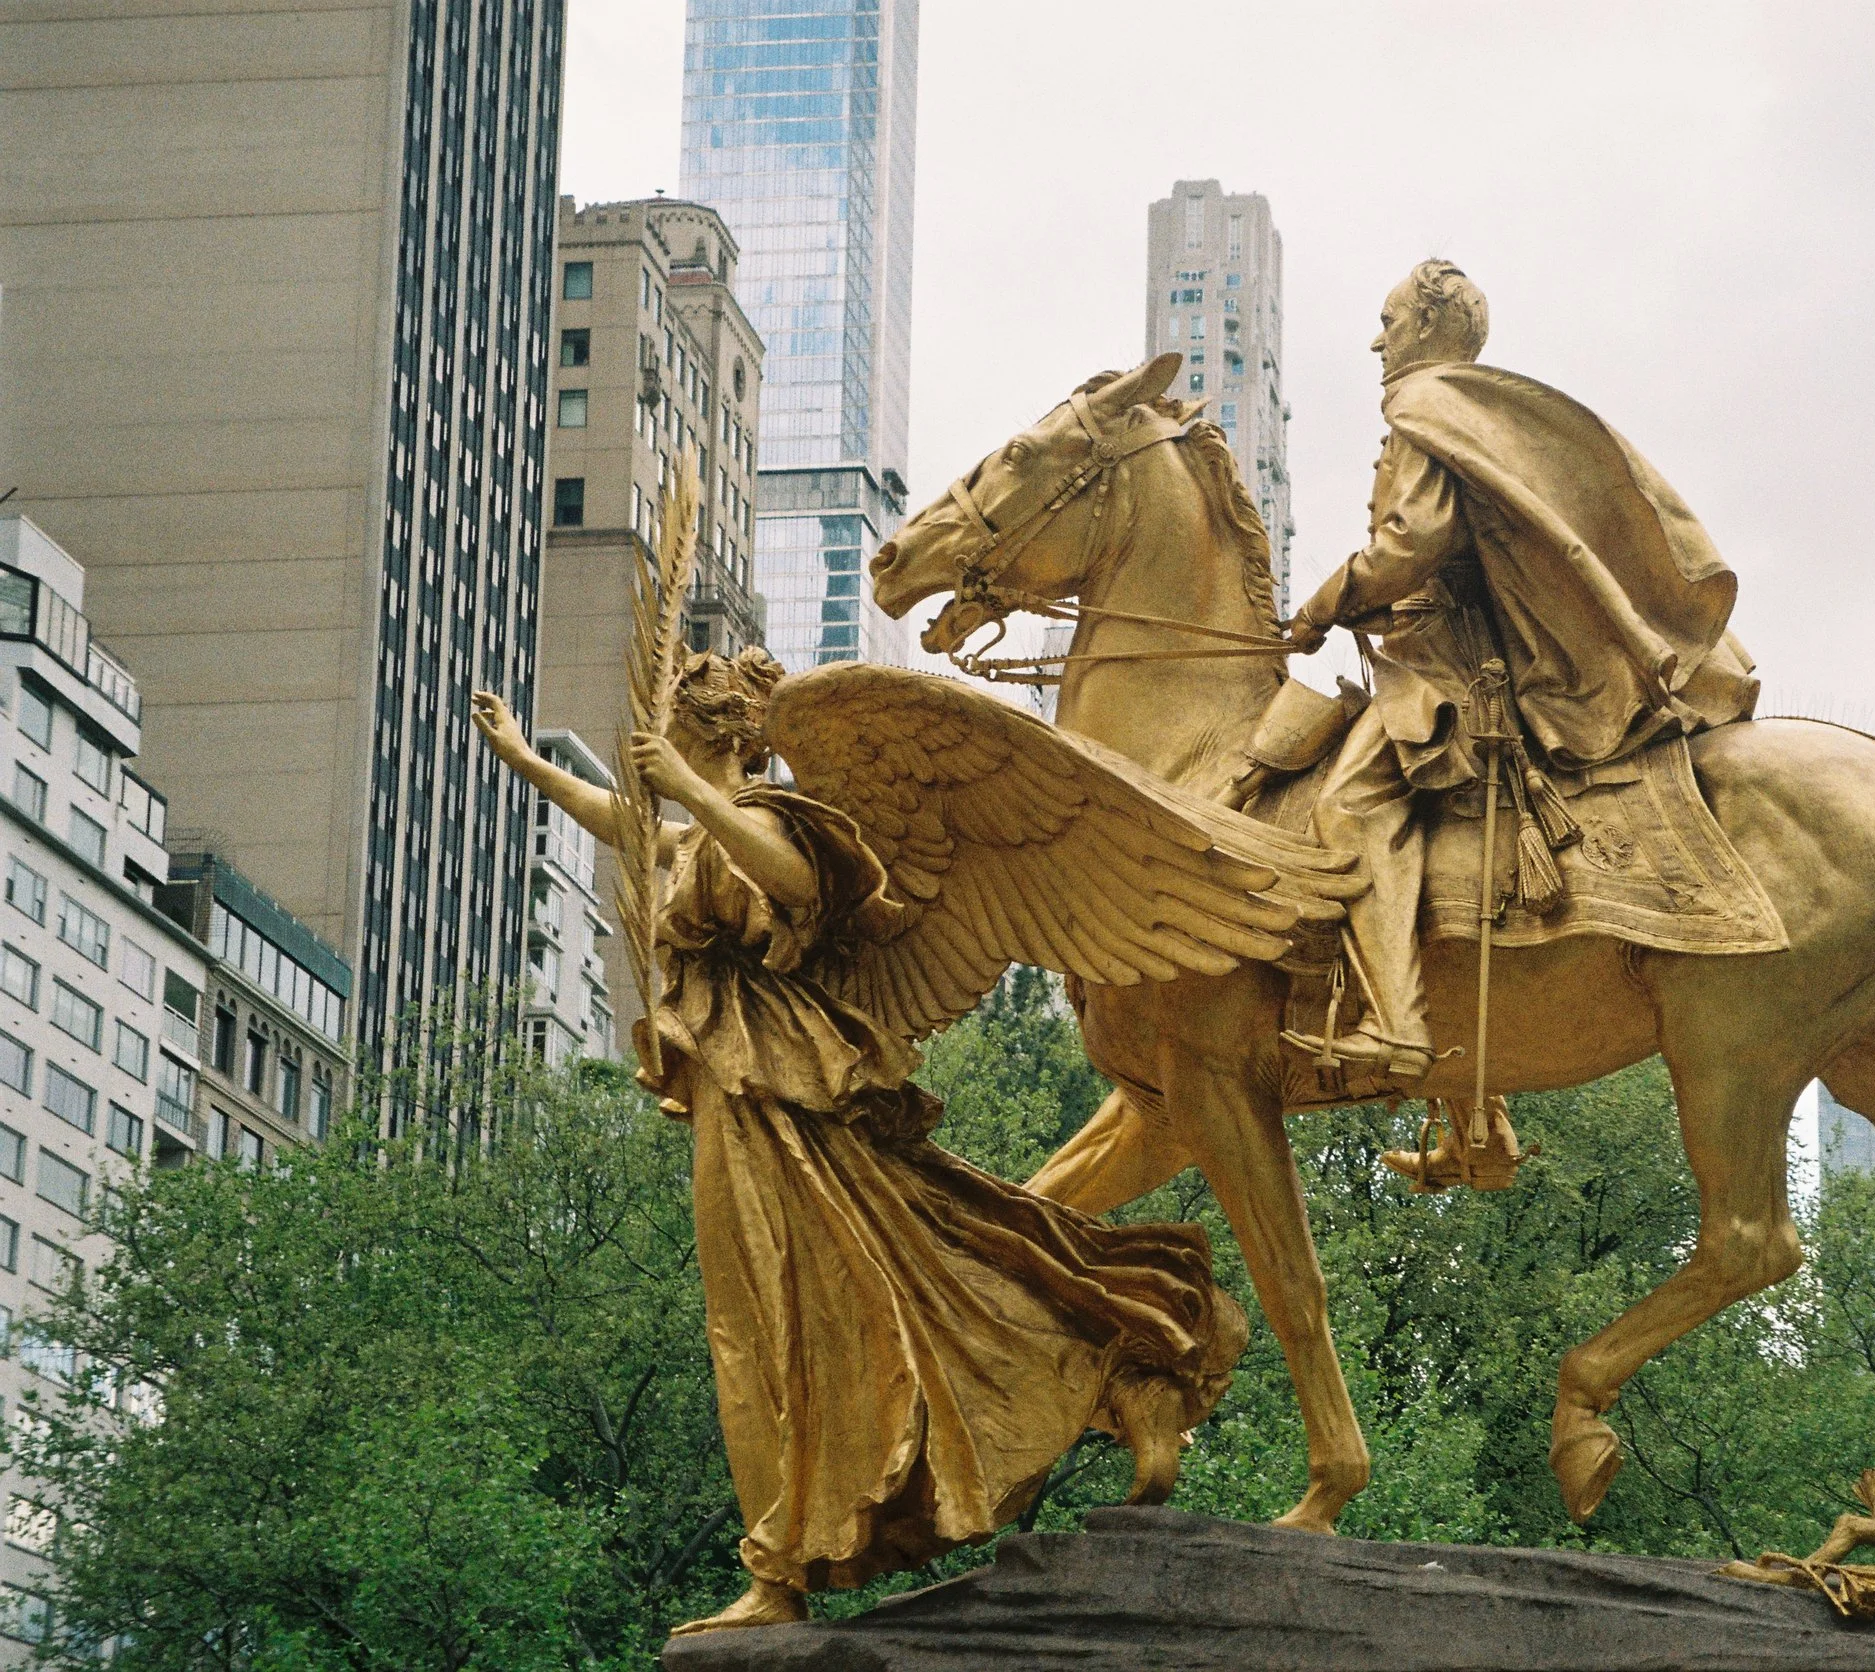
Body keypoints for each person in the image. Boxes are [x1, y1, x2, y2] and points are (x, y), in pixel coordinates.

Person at [470, 652, 1244, 1633]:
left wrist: (689, 795)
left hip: (785, 1097)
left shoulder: (779, 822)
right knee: (806, 1311)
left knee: (818, 1315)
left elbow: (793, 882)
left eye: (681, 718)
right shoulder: (699, 831)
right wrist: (524, 760)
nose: (663, 725)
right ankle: (783, 1565)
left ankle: (1112, 1359)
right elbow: (629, 827)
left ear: (723, 731)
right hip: (738, 1093)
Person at [1279, 261, 1760, 1084]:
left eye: (1388, 321)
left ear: (1429, 326)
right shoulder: (1472, 412)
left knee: (1354, 803)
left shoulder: (1423, 404)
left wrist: (1326, 603)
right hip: (1458, 643)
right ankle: (1477, 1098)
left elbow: (1415, 540)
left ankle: (1398, 1025)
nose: (1377, 340)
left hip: (1455, 664)